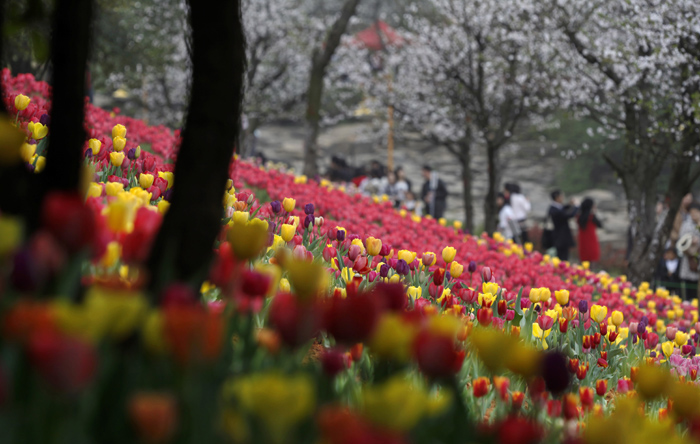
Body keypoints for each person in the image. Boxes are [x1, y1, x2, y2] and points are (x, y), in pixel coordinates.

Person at [548, 190, 578, 261]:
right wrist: (576, 207)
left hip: (560, 236)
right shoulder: (554, 210)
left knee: (563, 255)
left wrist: (569, 205)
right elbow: (568, 215)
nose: (562, 198)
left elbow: (562, 209)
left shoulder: (555, 207)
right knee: (562, 257)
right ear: (557, 197)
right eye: (561, 196)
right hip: (561, 237)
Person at [679, 201, 700, 300]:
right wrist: (691, 240)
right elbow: (681, 240)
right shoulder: (686, 224)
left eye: (696, 212)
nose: (694, 215)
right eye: (691, 212)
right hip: (688, 261)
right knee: (688, 291)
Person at [577, 197, 602, 264]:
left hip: (583, 240)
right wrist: (594, 212)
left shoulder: (579, 217)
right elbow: (600, 225)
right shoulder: (592, 217)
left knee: (584, 259)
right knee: (593, 259)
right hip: (591, 239)